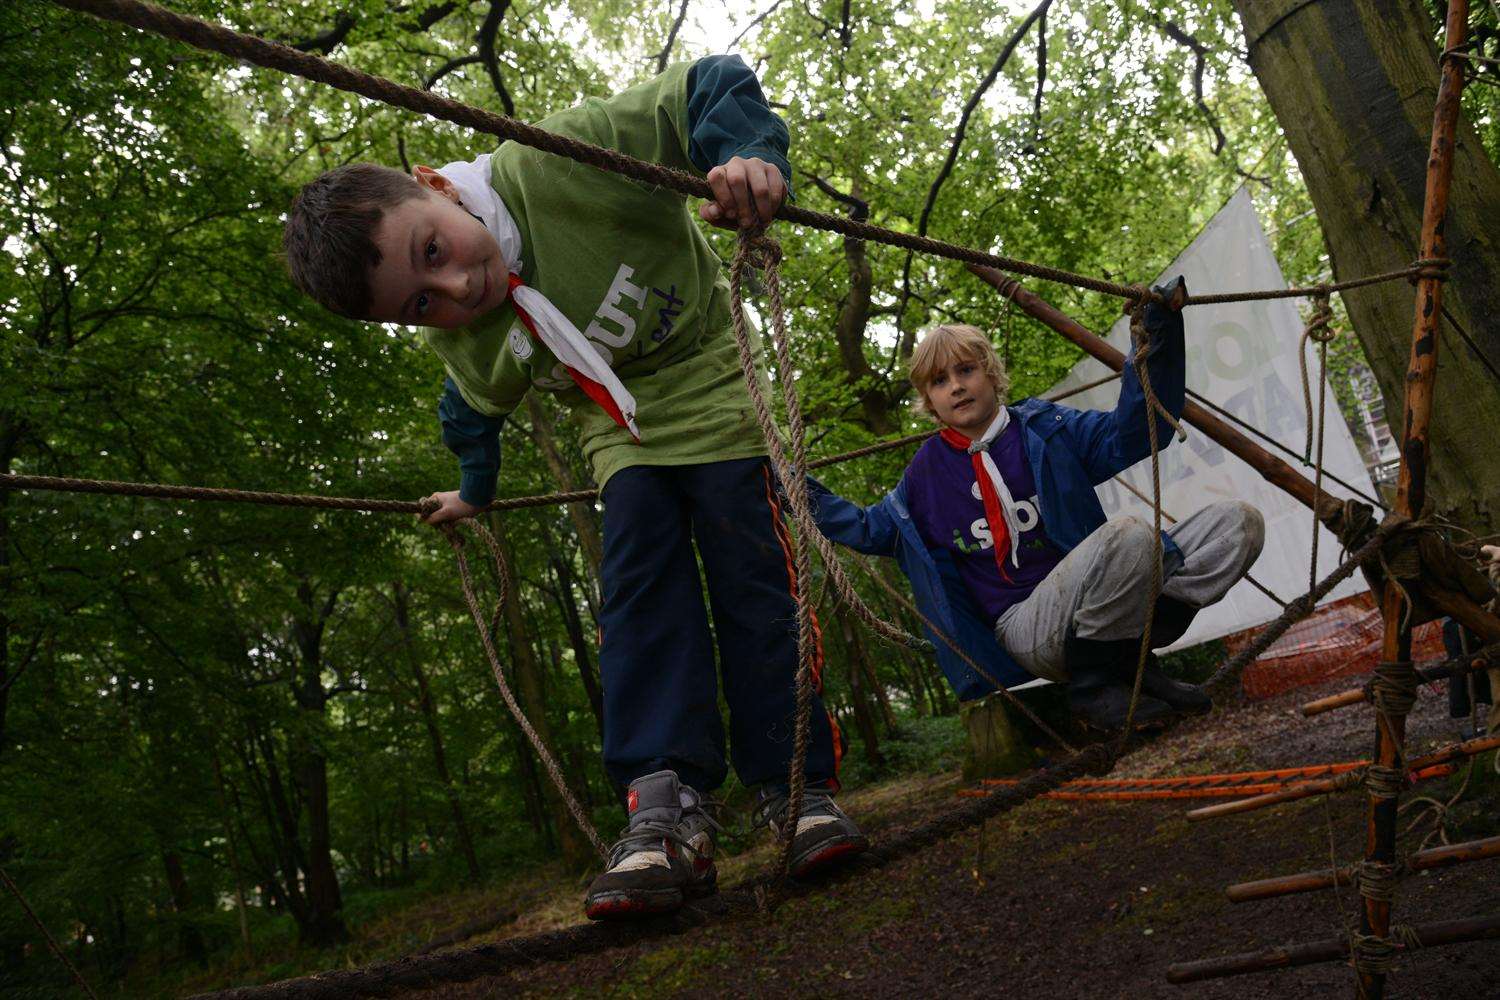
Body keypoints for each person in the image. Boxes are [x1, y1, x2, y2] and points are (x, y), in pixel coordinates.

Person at [281, 55, 864, 920]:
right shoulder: (468, 338)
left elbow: (702, 81)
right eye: (419, 305)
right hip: (619, 435)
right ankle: (665, 807)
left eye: (432, 251)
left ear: (430, 185)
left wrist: (746, 152)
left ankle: (794, 787)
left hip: (716, 387)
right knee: (636, 590)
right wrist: (473, 491)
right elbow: (470, 410)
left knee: (752, 573)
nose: (454, 290)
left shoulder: (553, 157)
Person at [811, 286, 1266, 731]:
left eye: (965, 370)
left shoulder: (1048, 428)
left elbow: (1136, 433)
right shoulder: (925, 475)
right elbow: (870, 529)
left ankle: (1132, 662)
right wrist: (790, 487)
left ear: (990, 373)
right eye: (939, 381)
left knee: (1237, 524)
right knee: (1130, 535)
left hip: (1113, 605)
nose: (956, 387)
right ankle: (1092, 686)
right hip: (1028, 627)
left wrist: (1157, 336)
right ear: (928, 400)